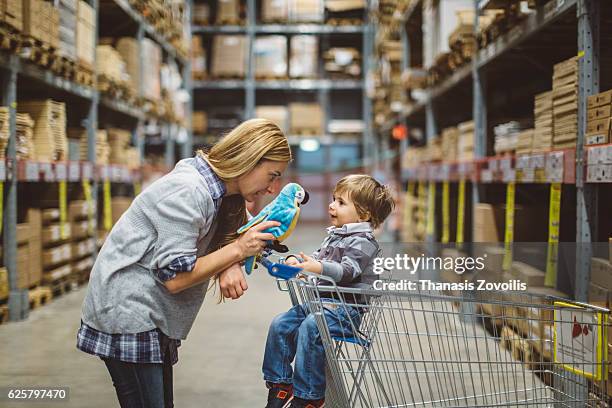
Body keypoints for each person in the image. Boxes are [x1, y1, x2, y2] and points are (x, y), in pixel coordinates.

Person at [76, 118, 291, 408]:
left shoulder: (220, 192)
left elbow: (229, 230)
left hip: (151, 314)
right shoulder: (189, 191)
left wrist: (233, 260)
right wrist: (238, 251)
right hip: (130, 311)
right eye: (271, 175)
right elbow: (175, 277)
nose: (272, 189)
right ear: (250, 159)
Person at [262, 174, 395, 408]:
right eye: (334, 199)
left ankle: (310, 396)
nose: (332, 205)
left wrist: (317, 267)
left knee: (312, 326)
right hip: (321, 304)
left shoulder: (363, 241)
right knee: (280, 323)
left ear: (363, 215)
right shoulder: (336, 235)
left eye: (341, 202)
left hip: (346, 310)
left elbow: (347, 271)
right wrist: (297, 261)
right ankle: (280, 383)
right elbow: (316, 258)